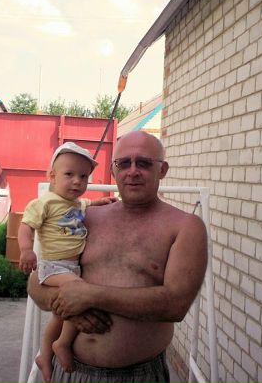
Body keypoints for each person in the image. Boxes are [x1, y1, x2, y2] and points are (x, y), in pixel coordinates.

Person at [28, 131, 208, 383]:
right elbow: (36, 281)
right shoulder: (86, 218)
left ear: (162, 170)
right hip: (69, 372)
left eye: (143, 163)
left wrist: (91, 296)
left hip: (138, 377)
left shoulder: (185, 227)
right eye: (123, 163)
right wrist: (70, 310)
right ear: (113, 170)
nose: (132, 171)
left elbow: (175, 305)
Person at [18, 142, 115, 383]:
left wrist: (99, 203)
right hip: (53, 266)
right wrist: (26, 250)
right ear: (52, 176)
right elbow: (26, 225)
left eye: (83, 177)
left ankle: (44, 355)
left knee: (60, 317)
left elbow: (87, 204)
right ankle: (62, 343)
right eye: (69, 174)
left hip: (71, 267)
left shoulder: (77, 204)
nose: (77, 182)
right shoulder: (45, 202)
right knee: (80, 293)